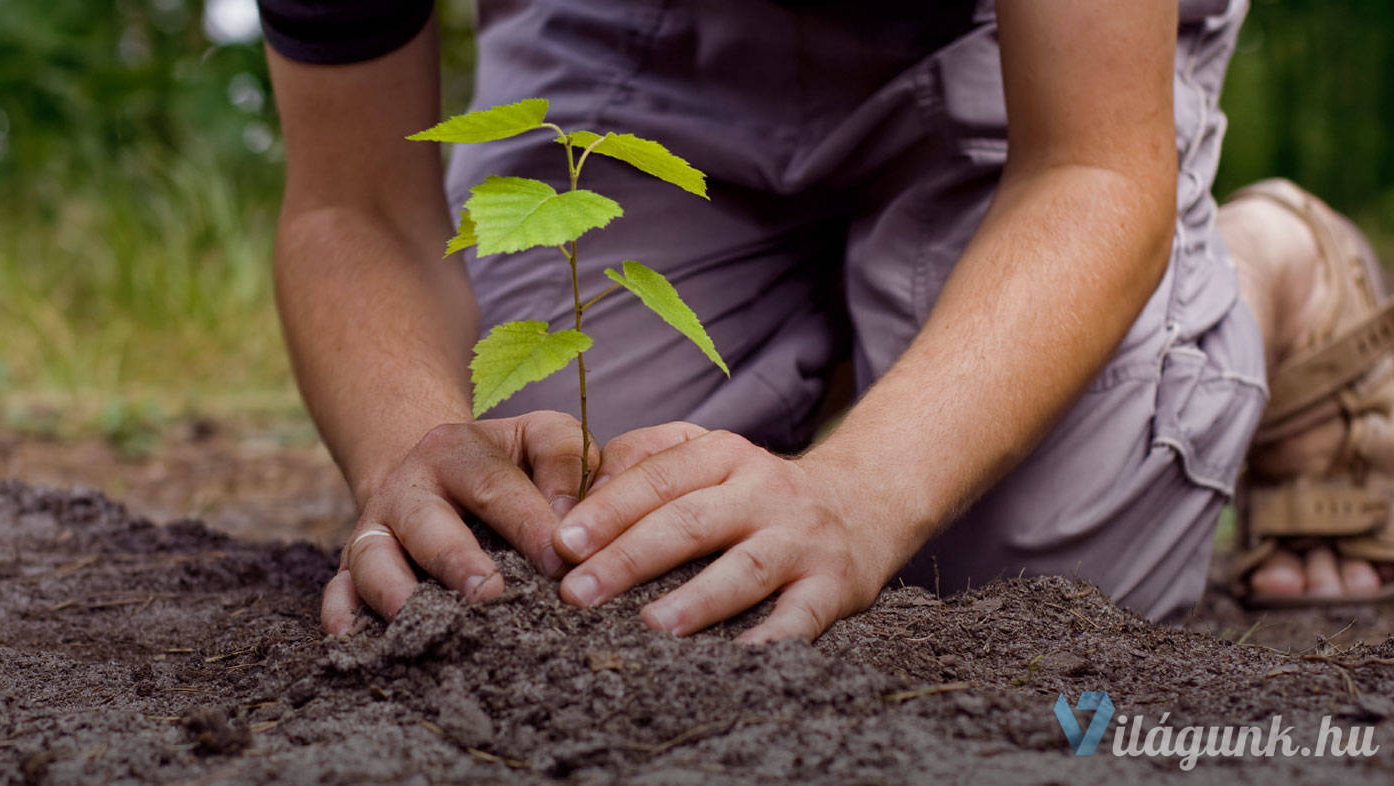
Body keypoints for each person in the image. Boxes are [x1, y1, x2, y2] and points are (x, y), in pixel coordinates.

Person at [259, 0, 1394, 642]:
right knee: (568, 520)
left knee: (1024, 578)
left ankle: (1272, 270)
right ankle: (879, 342)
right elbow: (353, 204)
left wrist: (864, 495)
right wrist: (413, 446)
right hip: (632, 30)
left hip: (1022, 43)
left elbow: (1092, 165)